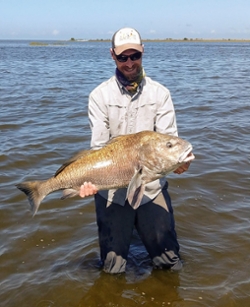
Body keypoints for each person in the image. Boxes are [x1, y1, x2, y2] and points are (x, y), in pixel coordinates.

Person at [79, 27, 192, 274]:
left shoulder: (160, 94)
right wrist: (88, 182)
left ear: (143, 53)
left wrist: (178, 163)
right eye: (123, 57)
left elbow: (169, 142)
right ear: (112, 55)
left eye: (135, 56)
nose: (130, 63)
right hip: (111, 192)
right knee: (113, 267)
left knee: (169, 261)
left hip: (151, 188)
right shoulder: (99, 96)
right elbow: (98, 149)